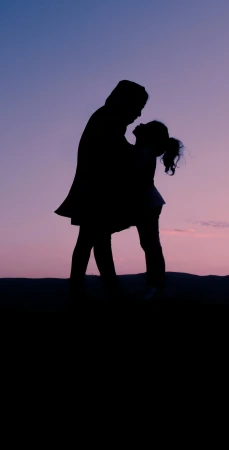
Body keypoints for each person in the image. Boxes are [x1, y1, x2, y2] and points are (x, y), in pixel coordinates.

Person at [55, 80, 149, 305]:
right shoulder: (109, 119)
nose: (137, 114)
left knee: (96, 241)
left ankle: (99, 291)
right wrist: (140, 145)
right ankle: (87, 293)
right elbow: (116, 153)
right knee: (92, 241)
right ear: (126, 102)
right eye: (137, 107)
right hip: (95, 192)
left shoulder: (106, 117)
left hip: (94, 190)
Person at [130, 121, 184, 301]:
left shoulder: (144, 152)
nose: (140, 124)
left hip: (146, 203)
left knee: (150, 246)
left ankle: (156, 287)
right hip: (147, 203)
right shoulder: (146, 151)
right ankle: (156, 286)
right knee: (150, 245)